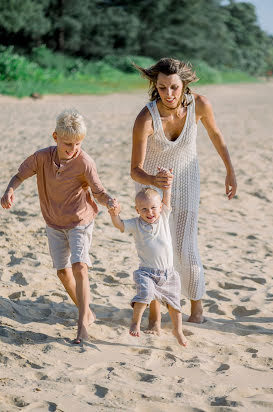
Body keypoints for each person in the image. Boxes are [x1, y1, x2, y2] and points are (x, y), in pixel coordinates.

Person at [131, 58, 237, 326]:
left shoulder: (199, 105)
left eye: (174, 87)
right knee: (157, 251)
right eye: (163, 88)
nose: (169, 94)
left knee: (186, 248)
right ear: (156, 86)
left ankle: (197, 307)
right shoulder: (146, 117)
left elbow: (216, 135)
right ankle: (157, 313)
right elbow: (135, 169)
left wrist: (230, 170)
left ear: (184, 85)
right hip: (152, 192)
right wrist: (154, 179)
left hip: (188, 183)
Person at [1, 109, 114, 344]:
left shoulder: (85, 162)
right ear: (55, 137)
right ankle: (88, 311)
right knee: (63, 271)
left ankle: (82, 323)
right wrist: (10, 190)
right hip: (53, 222)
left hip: (79, 221)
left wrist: (110, 201)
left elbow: (99, 191)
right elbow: (19, 175)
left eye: (77, 143)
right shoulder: (41, 157)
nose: (72, 148)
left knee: (80, 266)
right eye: (67, 144)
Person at [108, 168, 187, 346]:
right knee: (145, 294)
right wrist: (114, 214)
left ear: (160, 207)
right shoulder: (136, 224)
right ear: (137, 210)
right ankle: (136, 322)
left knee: (175, 304)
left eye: (153, 208)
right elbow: (119, 225)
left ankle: (178, 330)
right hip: (147, 273)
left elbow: (167, 197)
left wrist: (167, 183)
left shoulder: (164, 217)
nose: (149, 212)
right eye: (144, 209)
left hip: (169, 273)